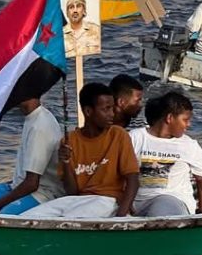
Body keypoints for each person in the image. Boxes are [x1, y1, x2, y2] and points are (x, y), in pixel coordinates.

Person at [22, 83, 139, 219]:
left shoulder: (118, 135)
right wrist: (66, 162)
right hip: (77, 200)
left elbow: (133, 180)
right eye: (106, 109)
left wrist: (120, 216)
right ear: (88, 111)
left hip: (108, 200)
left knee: (71, 218)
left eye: (112, 109)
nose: (112, 114)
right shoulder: (70, 140)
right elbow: (72, 191)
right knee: (31, 216)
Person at [130, 91, 202, 217]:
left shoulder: (189, 145)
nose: (189, 124)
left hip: (173, 201)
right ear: (169, 118)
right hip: (137, 203)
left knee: (161, 206)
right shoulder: (135, 138)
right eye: (185, 120)